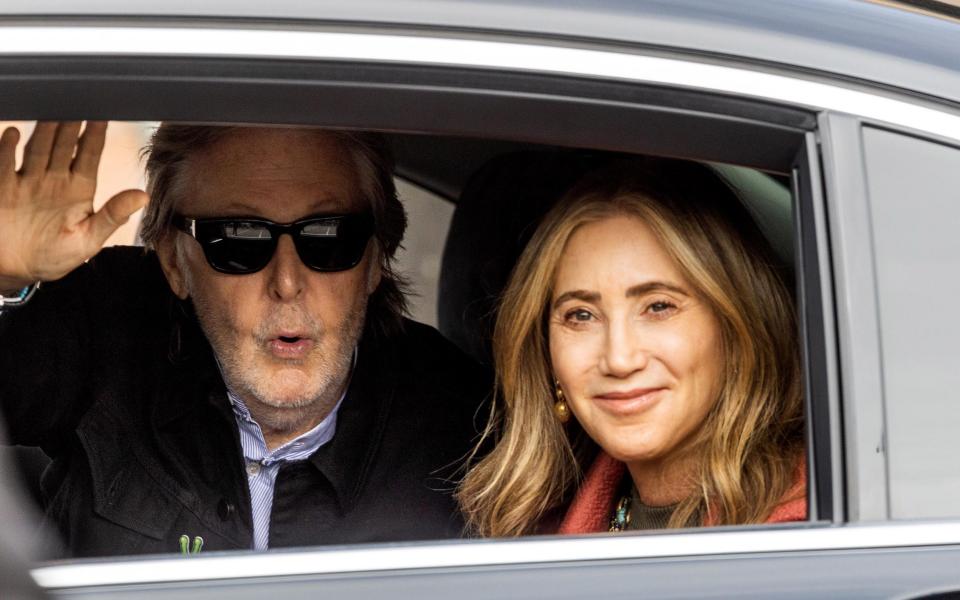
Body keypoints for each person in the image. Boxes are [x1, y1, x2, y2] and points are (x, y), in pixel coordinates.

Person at [0, 122, 488, 556]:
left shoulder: (469, 429)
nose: (288, 282)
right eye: (239, 239)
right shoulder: (109, 326)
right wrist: (5, 276)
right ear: (174, 262)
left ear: (376, 257)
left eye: (328, 235)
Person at [458, 158, 805, 536]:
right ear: (546, 355)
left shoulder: (807, 538)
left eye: (658, 306)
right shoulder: (532, 530)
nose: (619, 359)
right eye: (581, 315)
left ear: (739, 330)